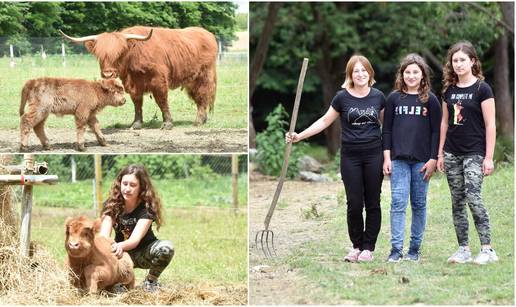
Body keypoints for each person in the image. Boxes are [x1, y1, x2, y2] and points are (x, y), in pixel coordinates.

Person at [286, 55, 385, 262]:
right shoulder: (342, 98)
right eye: (356, 71)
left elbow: (389, 127)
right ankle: (356, 246)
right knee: (354, 203)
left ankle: (369, 248)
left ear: (370, 73)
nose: (360, 74)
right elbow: (324, 121)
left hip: (374, 154)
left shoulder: (378, 97)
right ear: (350, 75)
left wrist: (389, 155)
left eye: (364, 70)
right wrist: (299, 136)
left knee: (373, 202)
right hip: (350, 156)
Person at [437, 41, 498, 265]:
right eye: (455, 61)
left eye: (463, 60)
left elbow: (491, 125)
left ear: (473, 61)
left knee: (473, 197)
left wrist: (489, 157)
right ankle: (463, 249)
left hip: (475, 152)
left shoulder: (483, 89)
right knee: (457, 201)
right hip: (452, 152)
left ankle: (487, 249)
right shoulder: (449, 91)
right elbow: (444, 123)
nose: (459, 64)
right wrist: (441, 153)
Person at [382, 54, 441, 263]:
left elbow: (436, 132)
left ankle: (414, 249)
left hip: (422, 162)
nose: (411, 75)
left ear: (423, 75)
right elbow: (386, 130)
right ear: (402, 74)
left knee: (418, 204)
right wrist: (386, 157)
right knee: (398, 203)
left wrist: (434, 158)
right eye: (407, 72)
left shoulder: (430, 100)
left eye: (416, 72)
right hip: (398, 159)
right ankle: (396, 249)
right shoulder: (394, 99)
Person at [99, 164, 174, 292]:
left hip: (144, 252)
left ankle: (150, 282)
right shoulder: (111, 205)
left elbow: (134, 240)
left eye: (133, 185)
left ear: (141, 187)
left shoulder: (147, 208)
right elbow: (104, 236)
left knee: (166, 248)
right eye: (125, 184)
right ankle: (116, 281)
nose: (127, 189)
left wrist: (118, 246)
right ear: (119, 184)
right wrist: (107, 249)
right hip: (121, 255)